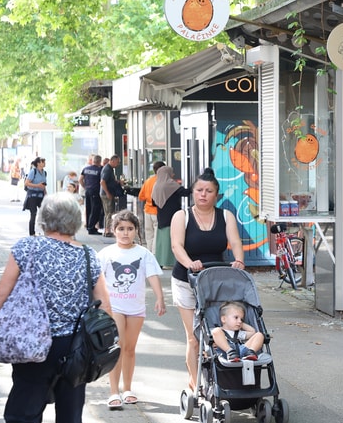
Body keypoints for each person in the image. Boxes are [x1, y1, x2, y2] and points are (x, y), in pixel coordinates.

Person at [0, 192, 111, 423]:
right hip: (75, 350)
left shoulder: (26, 248)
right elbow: (104, 306)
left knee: (20, 414)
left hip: (33, 346)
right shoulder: (87, 256)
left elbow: (0, 295)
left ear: (44, 219)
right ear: (77, 222)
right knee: (70, 417)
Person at [170, 168, 245, 391]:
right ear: (193, 192)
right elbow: (176, 246)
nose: (203, 194)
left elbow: (236, 242)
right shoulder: (181, 216)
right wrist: (189, 263)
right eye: (199, 190)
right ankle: (196, 384)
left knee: (218, 332)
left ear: (216, 195)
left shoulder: (225, 216)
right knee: (194, 337)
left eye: (209, 191)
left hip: (216, 280)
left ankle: (219, 378)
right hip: (187, 279)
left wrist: (239, 261)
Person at [97, 210, 166, 409]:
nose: (125, 233)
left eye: (129, 229)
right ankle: (113, 392)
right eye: (121, 229)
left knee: (129, 349)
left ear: (136, 230)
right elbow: (97, 280)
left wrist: (160, 298)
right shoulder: (107, 254)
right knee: (117, 347)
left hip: (136, 308)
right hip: (114, 307)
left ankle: (127, 389)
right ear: (113, 230)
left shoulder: (143, 254)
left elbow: (152, 276)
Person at [151, 165, 189, 267]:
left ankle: (161, 261)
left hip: (161, 216)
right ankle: (170, 261)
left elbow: (153, 202)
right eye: (171, 173)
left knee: (162, 241)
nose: (173, 174)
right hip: (172, 216)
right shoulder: (171, 185)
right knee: (172, 239)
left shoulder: (156, 185)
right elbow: (186, 192)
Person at [137, 160, 165, 254]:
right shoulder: (162, 181)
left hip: (147, 210)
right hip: (157, 211)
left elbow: (141, 196)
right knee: (157, 234)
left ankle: (148, 252)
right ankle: (154, 253)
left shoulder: (148, 181)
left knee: (149, 234)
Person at [100, 155, 124, 238]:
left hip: (107, 192)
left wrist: (116, 182)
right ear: (112, 161)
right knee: (109, 211)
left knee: (109, 211)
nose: (118, 164)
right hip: (106, 193)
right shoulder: (107, 169)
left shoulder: (109, 169)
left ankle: (107, 229)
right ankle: (107, 230)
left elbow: (108, 181)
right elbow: (102, 182)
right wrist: (107, 193)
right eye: (117, 162)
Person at [23, 157, 47, 236]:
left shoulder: (44, 172)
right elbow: (26, 183)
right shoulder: (33, 172)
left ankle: (47, 231)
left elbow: (43, 185)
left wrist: (46, 194)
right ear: (38, 163)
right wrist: (37, 185)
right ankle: (32, 233)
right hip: (32, 195)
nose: (44, 163)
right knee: (33, 213)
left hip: (40, 194)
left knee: (45, 212)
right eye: (43, 162)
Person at [80, 154, 103, 235]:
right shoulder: (100, 170)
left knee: (88, 208)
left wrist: (85, 187)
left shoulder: (85, 169)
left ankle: (88, 226)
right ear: (99, 161)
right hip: (95, 191)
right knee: (95, 210)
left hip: (88, 191)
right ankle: (91, 228)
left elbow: (80, 179)